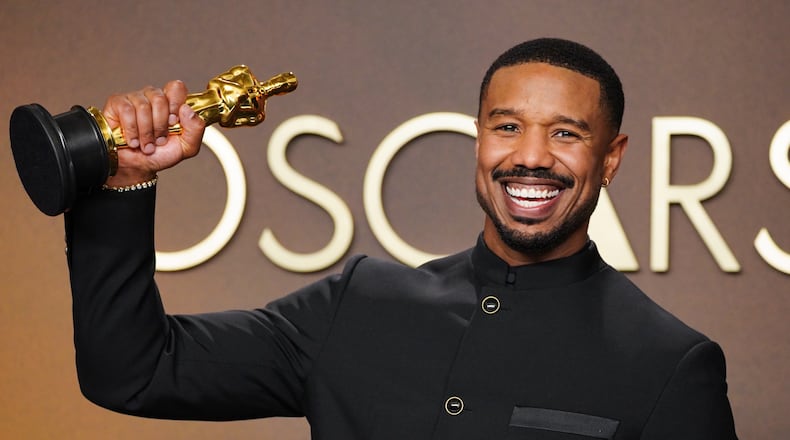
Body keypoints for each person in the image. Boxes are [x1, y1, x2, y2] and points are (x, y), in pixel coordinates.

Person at [64, 38, 737, 439]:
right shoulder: (357, 305)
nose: (530, 156)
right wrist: (122, 179)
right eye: (507, 127)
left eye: (566, 133)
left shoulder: (671, 365)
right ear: (479, 139)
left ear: (612, 157)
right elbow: (135, 372)